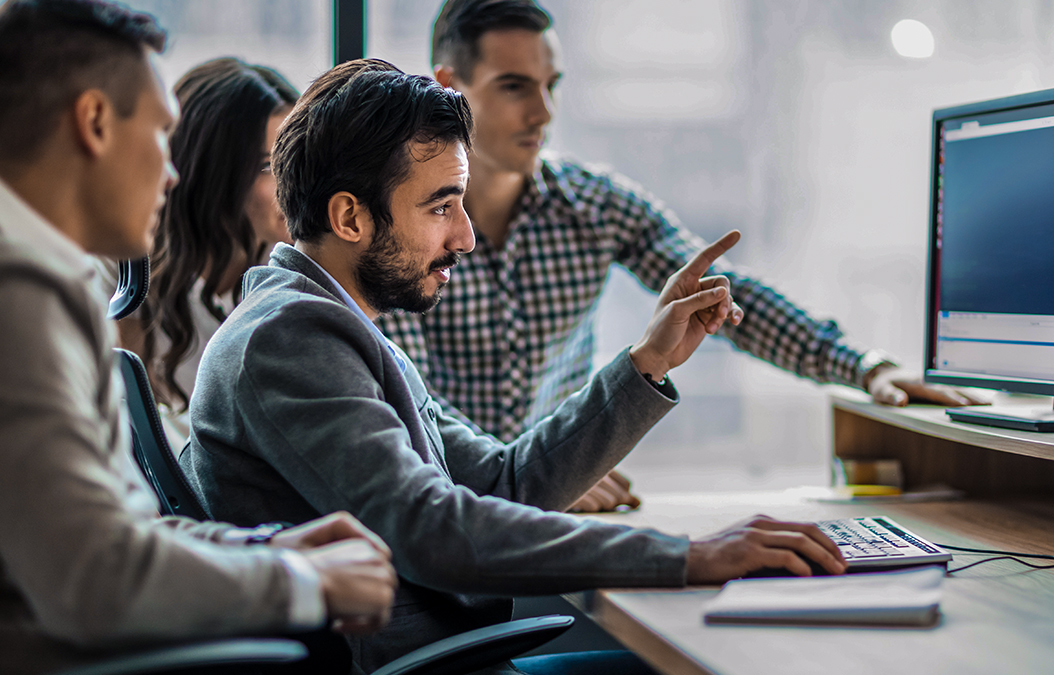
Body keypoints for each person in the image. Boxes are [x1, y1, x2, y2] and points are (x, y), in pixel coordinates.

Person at [182, 58, 848, 674]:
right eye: (441, 206)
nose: (465, 237)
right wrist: (688, 557)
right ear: (350, 217)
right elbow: (432, 531)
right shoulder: (288, 341)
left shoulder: (333, 326)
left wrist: (646, 363)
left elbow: (505, 480)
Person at [375, 0, 987, 511]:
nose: (543, 112)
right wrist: (541, 475)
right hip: (450, 512)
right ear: (449, 87)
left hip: (551, 504)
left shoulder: (594, 206)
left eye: (551, 86)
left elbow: (718, 296)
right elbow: (409, 400)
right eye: (515, 87)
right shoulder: (400, 230)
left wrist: (866, 366)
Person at [0, 2, 396, 672]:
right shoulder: (22, 289)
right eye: (159, 135)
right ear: (94, 122)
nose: (172, 171)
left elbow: (121, 530)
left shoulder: (53, 282)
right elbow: (93, 577)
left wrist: (271, 549)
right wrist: (303, 584)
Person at [120, 57, 300, 452]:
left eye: (299, 157)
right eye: (270, 166)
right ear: (214, 174)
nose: (298, 182)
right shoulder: (134, 288)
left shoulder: (297, 274)